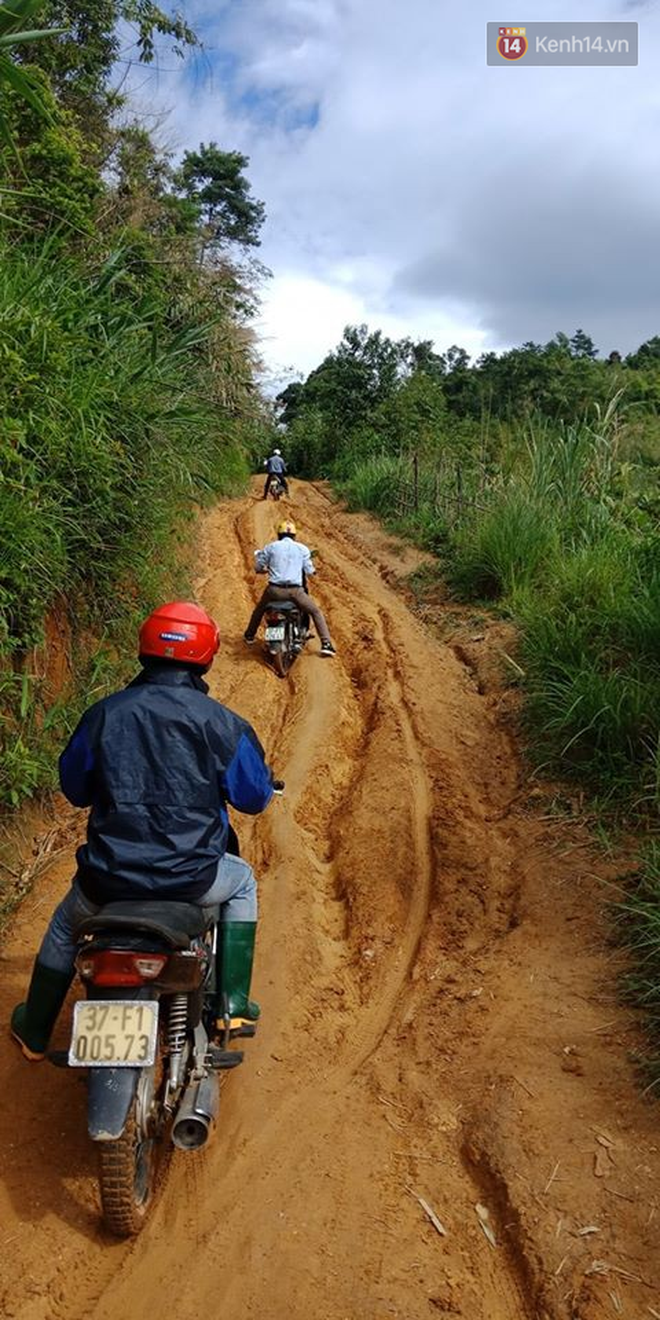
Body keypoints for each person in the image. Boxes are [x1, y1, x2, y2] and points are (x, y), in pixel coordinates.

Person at [10, 601, 276, 1062]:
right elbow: (253, 798)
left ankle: (35, 1030)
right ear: (207, 655)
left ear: (145, 646)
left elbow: (75, 789)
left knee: (64, 926)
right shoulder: (222, 724)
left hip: (106, 879)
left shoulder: (104, 715)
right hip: (192, 879)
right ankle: (232, 1007)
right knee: (244, 883)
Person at [243, 519, 336, 657]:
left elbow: (258, 567)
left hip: (274, 591)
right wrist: (314, 572)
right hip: (295, 592)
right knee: (315, 611)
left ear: (279, 535)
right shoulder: (302, 549)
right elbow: (309, 570)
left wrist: (263, 570)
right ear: (294, 535)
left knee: (260, 610)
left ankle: (250, 635)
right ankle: (326, 644)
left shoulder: (271, 547)